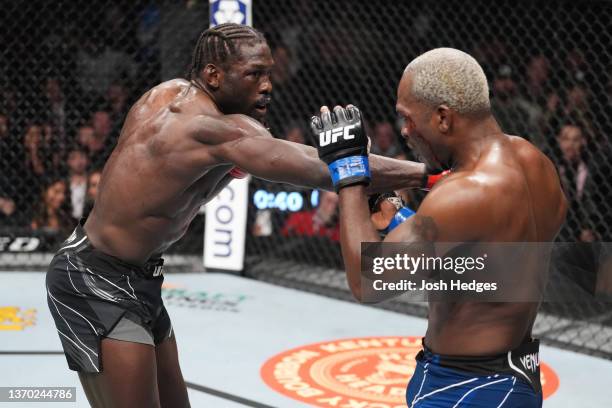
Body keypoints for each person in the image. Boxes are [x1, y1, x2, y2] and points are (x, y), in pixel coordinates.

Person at [45, 23, 439, 408]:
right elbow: (323, 169)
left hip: (138, 277)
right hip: (93, 279)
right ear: (213, 75)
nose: (267, 85)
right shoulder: (211, 129)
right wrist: (430, 174)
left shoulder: (167, 96)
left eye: (268, 73)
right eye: (254, 74)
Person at [311, 48, 567, 407]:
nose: (404, 131)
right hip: (515, 375)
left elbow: (367, 282)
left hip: (467, 387)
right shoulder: (535, 163)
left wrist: (349, 174)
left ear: (443, 118)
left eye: (408, 118)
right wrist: (400, 220)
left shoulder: (462, 194)